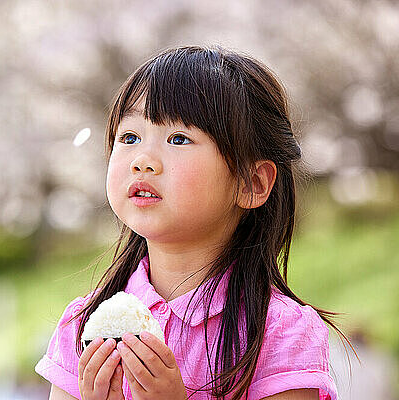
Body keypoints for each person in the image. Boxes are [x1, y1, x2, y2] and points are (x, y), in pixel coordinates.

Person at [35, 45, 354, 400]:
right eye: (129, 137)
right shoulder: (83, 324)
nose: (142, 160)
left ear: (252, 183)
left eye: (179, 138)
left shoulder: (280, 332)